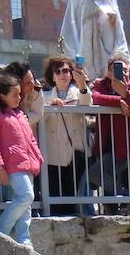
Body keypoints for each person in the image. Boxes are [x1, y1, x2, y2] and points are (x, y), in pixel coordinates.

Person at [0, 73, 42, 246]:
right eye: (14, 94)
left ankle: (24, 239)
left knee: (25, 206)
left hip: (27, 163)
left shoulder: (20, 114)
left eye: (19, 94)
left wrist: (38, 157)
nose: (19, 97)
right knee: (26, 196)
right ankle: (1, 227)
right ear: (2, 96)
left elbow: (30, 139)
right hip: (12, 165)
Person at [86, 51, 130, 211]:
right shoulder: (102, 84)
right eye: (117, 69)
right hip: (105, 144)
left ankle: (127, 198)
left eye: (125, 70)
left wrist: (126, 94)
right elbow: (95, 97)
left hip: (124, 147)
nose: (123, 73)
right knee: (103, 181)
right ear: (108, 72)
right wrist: (119, 101)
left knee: (94, 174)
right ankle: (119, 207)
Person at [39, 54, 93, 216]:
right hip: (53, 157)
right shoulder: (45, 97)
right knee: (56, 203)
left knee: (76, 203)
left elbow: (86, 103)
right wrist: (50, 106)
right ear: (52, 76)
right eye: (58, 71)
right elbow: (38, 118)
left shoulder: (79, 92)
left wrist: (83, 85)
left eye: (66, 70)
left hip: (76, 155)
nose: (63, 74)